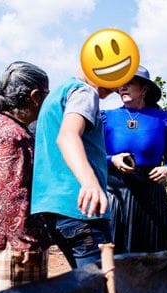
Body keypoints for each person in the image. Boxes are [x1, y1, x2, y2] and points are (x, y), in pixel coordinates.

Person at [0, 62, 50, 293]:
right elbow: (14, 193)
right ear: (36, 97)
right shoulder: (13, 135)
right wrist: (25, 241)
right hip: (7, 244)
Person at [31, 69, 115, 269]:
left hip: (53, 209)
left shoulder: (57, 94)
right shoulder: (85, 92)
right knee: (103, 291)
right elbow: (68, 136)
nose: (117, 88)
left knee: (85, 288)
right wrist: (90, 182)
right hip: (81, 208)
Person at [101, 65, 167, 253]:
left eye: (130, 84)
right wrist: (112, 160)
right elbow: (94, 155)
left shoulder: (163, 119)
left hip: (151, 193)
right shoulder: (107, 117)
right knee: (116, 255)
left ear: (144, 89)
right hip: (117, 193)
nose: (123, 88)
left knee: (153, 254)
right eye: (121, 85)